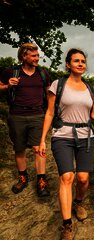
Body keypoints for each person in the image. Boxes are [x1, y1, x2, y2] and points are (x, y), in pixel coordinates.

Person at [39, 48, 94, 240]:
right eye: (76, 61)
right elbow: (50, 113)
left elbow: (93, 114)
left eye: (83, 61)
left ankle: (78, 202)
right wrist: (42, 140)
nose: (81, 64)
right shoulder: (57, 85)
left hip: (85, 136)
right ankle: (67, 225)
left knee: (83, 179)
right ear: (68, 64)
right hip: (62, 136)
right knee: (67, 177)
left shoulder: (90, 88)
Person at [0, 43, 51, 197]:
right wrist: (7, 85)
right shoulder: (11, 71)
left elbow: (49, 93)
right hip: (16, 116)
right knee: (19, 148)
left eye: (38, 55)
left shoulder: (43, 73)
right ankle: (23, 177)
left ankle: (41, 181)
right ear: (24, 56)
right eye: (34, 56)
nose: (37, 58)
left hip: (37, 115)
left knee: (39, 148)